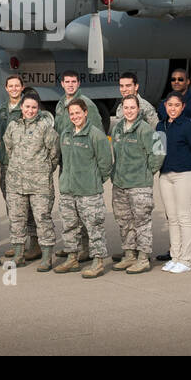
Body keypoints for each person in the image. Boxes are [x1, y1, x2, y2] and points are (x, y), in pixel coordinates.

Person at [2, 91, 60, 271]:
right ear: (21, 107)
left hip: (39, 183)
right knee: (17, 218)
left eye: (34, 107)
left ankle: (46, 257)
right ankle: (19, 254)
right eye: (27, 107)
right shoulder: (13, 126)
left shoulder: (45, 127)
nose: (30, 110)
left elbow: (54, 153)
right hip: (16, 182)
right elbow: (9, 148)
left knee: (42, 219)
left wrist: (41, 169)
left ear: (38, 109)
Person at [55, 100, 113, 278]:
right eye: (71, 114)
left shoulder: (96, 135)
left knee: (94, 227)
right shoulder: (65, 134)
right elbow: (61, 160)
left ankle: (97, 261)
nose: (74, 117)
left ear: (85, 112)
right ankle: (72, 257)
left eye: (77, 113)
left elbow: (105, 165)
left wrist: (93, 180)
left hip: (89, 192)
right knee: (70, 226)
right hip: (68, 190)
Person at [156, 68, 191, 263]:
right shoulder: (160, 126)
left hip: (186, 174)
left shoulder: (189, 124)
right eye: (169, 105)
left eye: (176, 105)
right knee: (173, 217)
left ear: (182, 107)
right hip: (166, 176)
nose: (172, 108)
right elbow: (157, 152)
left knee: (186, 217)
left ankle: (190, 256)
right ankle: (175, 254)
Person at [110, 94, 163, 274]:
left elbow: (159, 153)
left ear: (138, 109)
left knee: (142, 222)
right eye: (126, 108)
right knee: (124, 221)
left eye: (132, 108)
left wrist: (147, 172)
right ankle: (129, 254)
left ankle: (143, 258)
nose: (129, 111)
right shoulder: (117, 129)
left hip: (139, 185)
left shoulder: (146, 129)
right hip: (120, 184)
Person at [0, 73, 35, 259]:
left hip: (25, 164)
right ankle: (17, 242)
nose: (13, 88)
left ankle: (34, 243)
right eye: (10, 86)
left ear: (22, 87)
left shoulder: (28, 108)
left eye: (16, 86)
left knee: (31, 204)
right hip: (6, 163)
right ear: (6, 88)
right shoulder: (2, 109)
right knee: (12, 204)